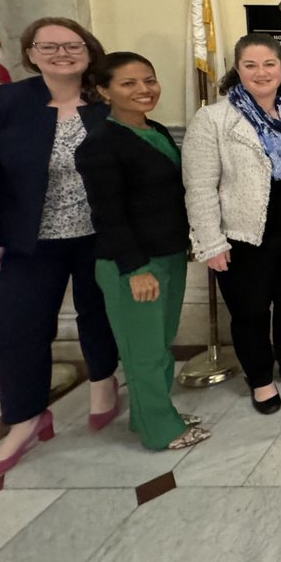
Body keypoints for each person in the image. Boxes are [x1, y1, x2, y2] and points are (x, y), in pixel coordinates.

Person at [0, 18, 119, 486]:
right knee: (14, 328)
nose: (61, 53)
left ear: (90, 52)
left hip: (99, 237)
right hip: (25, 243)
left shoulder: (107, 102)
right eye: (47, 46)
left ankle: (103, 382)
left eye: (72, 45)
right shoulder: (3, 103)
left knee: (101, 314)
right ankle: (25, 419)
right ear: (30, 53)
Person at [182, 33, 281, 414]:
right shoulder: (214, 118)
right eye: (250, 65)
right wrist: (211, 243)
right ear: (238, 69)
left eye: (269, 64)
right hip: (243, 238)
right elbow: (198, 187)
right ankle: (261, 379)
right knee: (250, 313)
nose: (261, 72)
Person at [75, 53, 211, 450]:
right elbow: (108, 214)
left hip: (167, 253)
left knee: (159, 341)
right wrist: (135, 269)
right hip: (132, 264)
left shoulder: (156, 132)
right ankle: (160, 431)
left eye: (148, 80)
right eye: (128, 83)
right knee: (143, 352)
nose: (144, 90)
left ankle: (149, 414)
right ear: (103, 91)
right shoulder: (100, 144)